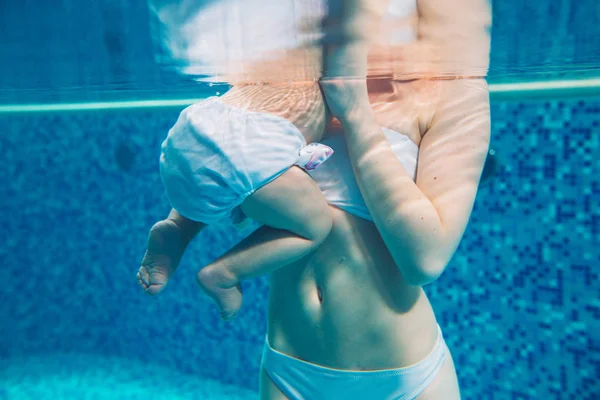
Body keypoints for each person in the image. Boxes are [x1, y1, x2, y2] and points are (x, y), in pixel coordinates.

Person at [139, 0, 491, 397]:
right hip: (290, 372)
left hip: (404, 379)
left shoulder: (452, 90)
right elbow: (229, 151)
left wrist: (355, 110)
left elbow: (424, 260)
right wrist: (180, 227)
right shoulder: (293, 69)